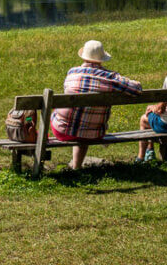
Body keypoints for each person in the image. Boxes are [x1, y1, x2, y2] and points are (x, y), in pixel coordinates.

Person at [51, 40, 142, 170]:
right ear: (102, 59)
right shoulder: (110, 78)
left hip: (62, 131)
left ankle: (76, 167)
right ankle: (76, 166)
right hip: (94, 133)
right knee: (85, 120)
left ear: (83, 57)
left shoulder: (72, 73)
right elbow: (136, 89)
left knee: (69, 113)